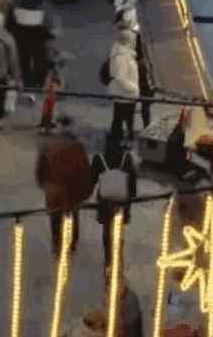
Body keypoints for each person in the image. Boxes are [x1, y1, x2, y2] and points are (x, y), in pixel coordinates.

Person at [35, 132, 94, 254]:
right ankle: (71, 245)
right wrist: (85, 193)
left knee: (56, 220)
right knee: (72, 217)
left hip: (55, 194)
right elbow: (86, 173)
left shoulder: (48, 147)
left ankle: (58, 246)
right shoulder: (77, 148)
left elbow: (40, 174)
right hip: (72, 194)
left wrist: (48, 187)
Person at [91, 135, 139, 271]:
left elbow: (92, 180)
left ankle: (108, 262)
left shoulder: (99, 159)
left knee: (106, 232)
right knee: (119, 232)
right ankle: (119, 259)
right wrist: (130, 199)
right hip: (122, 201)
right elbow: (132, 183)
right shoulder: (127, 158)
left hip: (105, 201)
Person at [104, 27, 142, 148]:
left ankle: (118, 140)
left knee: (121, 119)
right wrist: (134, 89)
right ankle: (117, 142)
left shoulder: (127, 54)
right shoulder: (120, 56)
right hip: (124, 94)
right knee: (120, 119)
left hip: (126, 95)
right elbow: (121, 78)